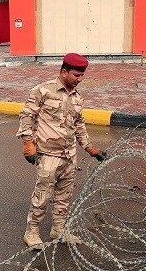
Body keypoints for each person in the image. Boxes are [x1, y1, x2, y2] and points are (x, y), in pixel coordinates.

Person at [17, 53, 107, 249]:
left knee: (64, 197)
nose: (79, 79)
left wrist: (90, 148)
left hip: (69, 155)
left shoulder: (77, 98)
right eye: (76, 75)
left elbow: (79, 125)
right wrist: (28, 143)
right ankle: (31, 232)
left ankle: (58, 230)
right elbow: (26, 116)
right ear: (64, 72)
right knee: (42, 195)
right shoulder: (42, 91)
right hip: (48, 155)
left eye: (82, 75)